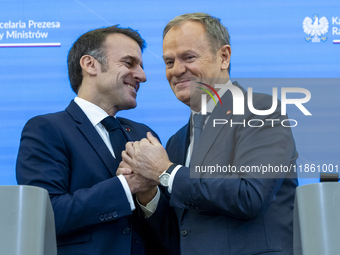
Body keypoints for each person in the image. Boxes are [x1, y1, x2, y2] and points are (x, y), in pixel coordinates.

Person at [119, 13, 298, 255]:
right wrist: (147, 192)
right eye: (169, 62)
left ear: (224, 57)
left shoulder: (262, 111)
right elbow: (180, 234)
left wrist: (166, 172)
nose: (177, 70)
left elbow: (251, 196)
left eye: (188, 57)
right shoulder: (176, 141)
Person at [16, 25, 167, 255]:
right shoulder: (46, 129)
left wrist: (149, 197)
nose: (142, 76)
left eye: (141, 67)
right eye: (129, 63)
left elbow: (171, 229)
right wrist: (128, 186)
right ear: (90, 64)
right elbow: (43, 216)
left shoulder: (145, 134)